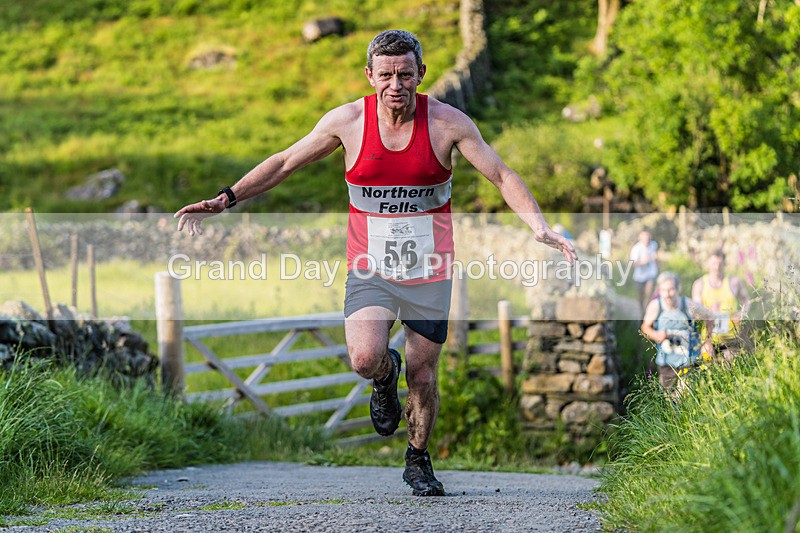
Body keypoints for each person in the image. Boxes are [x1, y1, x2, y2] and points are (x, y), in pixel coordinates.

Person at [174, 30, 576, 497]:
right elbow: (285, 163)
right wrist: (226, 198)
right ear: (370, 76)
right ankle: (385, 377)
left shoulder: (448, 123)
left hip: (429, 271)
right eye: (385, 75)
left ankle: (417, 459)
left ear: (420, 75)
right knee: (365, 357)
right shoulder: (347, 123)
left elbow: (502, 174)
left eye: (406, 74)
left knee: (423, 374)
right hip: (371, 268)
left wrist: (538, 225)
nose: (396, 84)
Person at [641, 272, 715, 394]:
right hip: (666, 362)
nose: (667, 294)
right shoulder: (656, 306)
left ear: (678, 289)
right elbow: (645, 327)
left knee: (684, 397)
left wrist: (707, 341)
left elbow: (709, 316)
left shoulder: (688, 305)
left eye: (671, 290)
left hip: (688, 361)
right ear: (659, 290)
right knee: (668, 401)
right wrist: (656, 335)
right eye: (663, 290)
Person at [691, 249, 750, 361]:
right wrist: (707, 312)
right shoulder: (700, 284)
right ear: (708, 263)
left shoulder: (734, 282)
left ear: (724, 264)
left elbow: (746, 299)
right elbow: (696, 309)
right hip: (709, 337)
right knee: (710, 369)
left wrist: (742, 313)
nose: (716, 267)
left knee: (730, 367)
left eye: (720, 264)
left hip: (731, 335)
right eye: (714, 263)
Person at [630, 229, 659, 314]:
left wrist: (657, 261)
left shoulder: (654, 245)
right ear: (640, 238)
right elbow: (632, 264)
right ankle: (641, 311)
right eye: (644, 237)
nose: (646, 239)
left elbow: (656, 256)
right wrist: (642, 261)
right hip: (639, 277)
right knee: (640, 298)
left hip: (651, 274)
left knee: (649, 294)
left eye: (647, 236)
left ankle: (647, 312)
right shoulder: (636, 248)